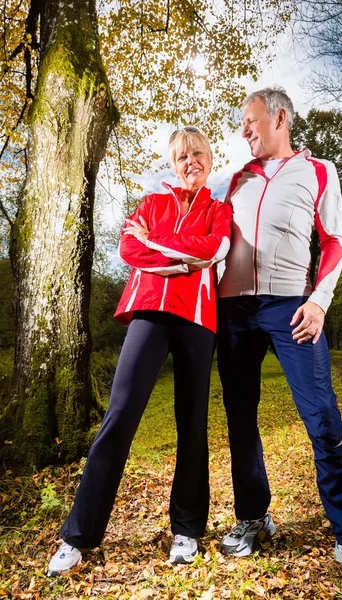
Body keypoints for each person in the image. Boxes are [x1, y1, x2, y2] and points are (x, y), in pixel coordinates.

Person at [217, 88, 342, 599]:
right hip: (234, 311)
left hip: (292, 306)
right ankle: (253, 518)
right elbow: (209, 236)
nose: (243, 130)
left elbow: (334, 239)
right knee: (240, 419)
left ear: (279, 117)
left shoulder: (319, 171)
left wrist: (319, 301)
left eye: (250, 121)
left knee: (322, 416)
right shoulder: (235, 180)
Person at [47, 127, 233, 576]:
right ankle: (78, 536)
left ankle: (187, 529)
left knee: (192, 423)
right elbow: (129, 246)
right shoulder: (151, 204)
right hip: (149, 308)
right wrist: (178, 261)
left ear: (210, 160)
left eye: (199, 154)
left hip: (198, 316)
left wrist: (159, 246)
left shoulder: (219, 209)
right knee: (121, 414)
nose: (192, 161)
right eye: (183, 156)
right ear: (173, 164)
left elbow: (215, 248)